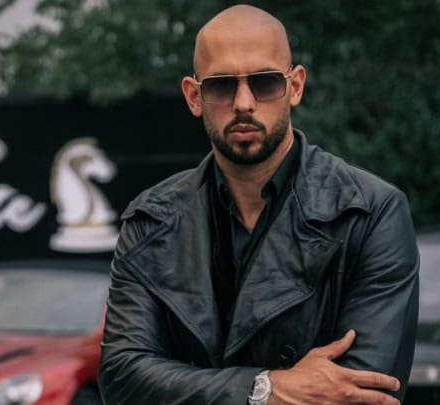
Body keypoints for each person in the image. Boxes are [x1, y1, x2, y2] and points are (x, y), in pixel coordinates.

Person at [98, 4, 419, 405]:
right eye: (221, 86)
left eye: (264, 82)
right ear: (194, 96)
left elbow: (362, 393)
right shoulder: (151, 221)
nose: (244, 103)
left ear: (295, 87)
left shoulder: (370, 214)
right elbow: (122, 377)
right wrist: (265, 389)